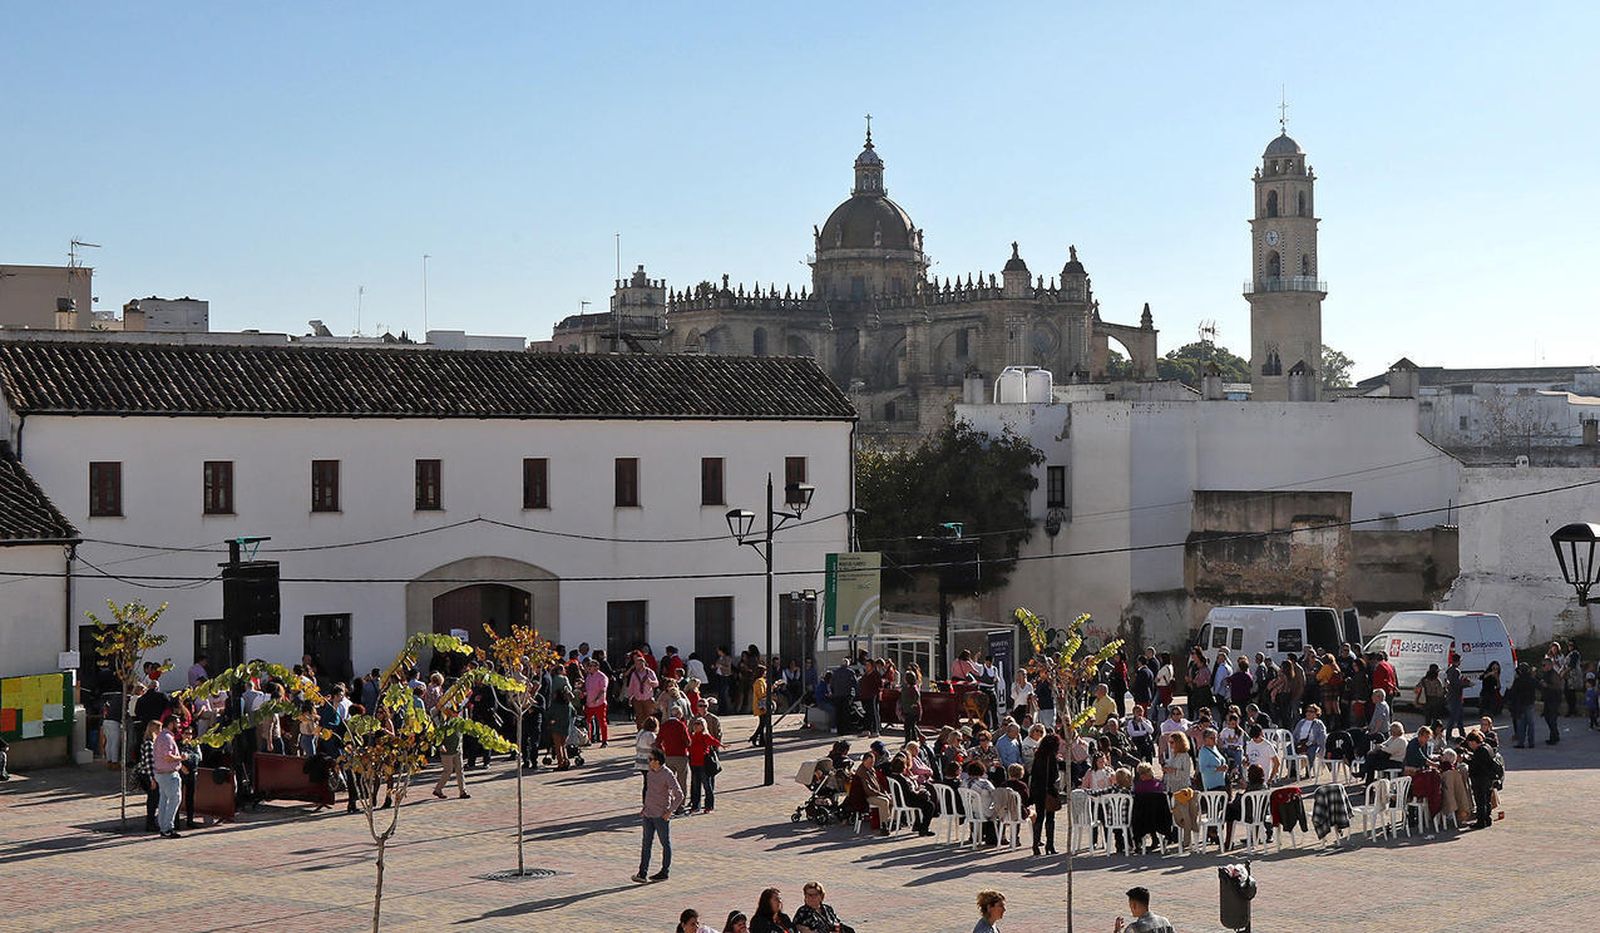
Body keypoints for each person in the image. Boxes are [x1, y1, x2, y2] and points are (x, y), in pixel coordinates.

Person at [632, 749, 682, 883]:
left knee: (665, 843)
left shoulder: (667, 774)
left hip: (661, 815)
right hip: (648, 814)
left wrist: (670, 811)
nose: (648, 762)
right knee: (646, 844)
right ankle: (642, 873)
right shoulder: (650, 773)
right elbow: (649, 792)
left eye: (650, 760)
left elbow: (679, 795)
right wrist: (645, 808)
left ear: (657, 761)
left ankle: (664, 871)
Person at [153, 717, 185, 838]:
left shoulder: (162, 736)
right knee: (174, 800)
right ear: (171, 724)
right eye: (177, 723)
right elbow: (167, 756)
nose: (179, 725)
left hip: (162, 774)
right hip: (168, 774)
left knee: (164, 801)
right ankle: (167, 828)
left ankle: (163, 827)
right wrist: (181, 758)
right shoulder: (166, 738)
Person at [1029, 733, 1061, 856]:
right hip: (1049, 790)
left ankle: (1035, 845)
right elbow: (1055, 776)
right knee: (1050, 818)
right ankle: (1050, 845)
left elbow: (1033, 773)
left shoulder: (1038, 755)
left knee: (1039, 818)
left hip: (1038, 791)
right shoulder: (1051, 757)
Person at [1464, 731, 1499, 829]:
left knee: (1480, 801)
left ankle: (1481, 821)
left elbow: (1475, 765)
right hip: (1487, 778)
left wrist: (1464, 760)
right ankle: (1487, 819)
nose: (1470, 746)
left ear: (1474, 742)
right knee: (1486, 800)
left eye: (1470, 744)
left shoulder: (1480, 750)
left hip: (1480, 779)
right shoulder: (1487, 747)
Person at [688, 716, 722, 813]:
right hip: (694, 763)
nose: (695, 726)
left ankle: (709, 806)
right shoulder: (692, 736)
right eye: (695, 723)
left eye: (698, 724)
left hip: (703, 764)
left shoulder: (705, 735)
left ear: (703, 726)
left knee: (707, 786)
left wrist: (721, 745)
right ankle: (695, 806)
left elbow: (714, 741)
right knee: (695, 786)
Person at [432, 724, 469, 799]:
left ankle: (463, 791)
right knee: (448, 771)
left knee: (460, 770)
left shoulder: (459, 720)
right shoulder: (444, 719)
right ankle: (438, 789)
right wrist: (440, 745)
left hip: (457, 749)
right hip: (446, 750)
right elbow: (437, 733)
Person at [1443, 656, 1473, 741]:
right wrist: (1467, 684)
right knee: (1453, 717)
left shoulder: (1449, 670)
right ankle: (1448, 735)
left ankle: (1462, 734)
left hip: (1452, 696)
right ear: (1458, 661)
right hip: (1455, 697)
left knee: (1459, 717)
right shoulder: (1456, 671)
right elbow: (1457, 684)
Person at [583, 658, 609, 748]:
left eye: (591, 666)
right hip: (589, 703)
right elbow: (587, 689)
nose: (589, 668)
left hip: (599, 703)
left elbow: (603, 690)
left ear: (596, 667)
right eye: (588, 666)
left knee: (602, 722)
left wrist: (597, 699)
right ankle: (588, 739)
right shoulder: (588, 677)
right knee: (587, 721)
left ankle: (604, 740)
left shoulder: (602, 677)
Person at [1538, 658, 1563, 745]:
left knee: (1551, 719)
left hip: (1554, 699)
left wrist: (1547, 685)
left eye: (1544, 665)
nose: (1543, 667)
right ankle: (1554, 735)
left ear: (1549, 665)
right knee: (1548, 718)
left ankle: (1554, 737)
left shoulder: (1553, 674)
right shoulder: (1546, 674)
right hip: (1548, 699)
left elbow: (1557, 687)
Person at [899, 669, 923, 743]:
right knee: (911, 727)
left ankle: (909, 742)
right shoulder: (907, 688)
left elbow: (915, 699)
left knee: (908, 728)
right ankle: (913, 741)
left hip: (912, 711)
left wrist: (912, 706)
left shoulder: (913, 688)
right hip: (908, 710)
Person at [750, 665, 771, 747]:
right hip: (761, 705)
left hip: (761, 705)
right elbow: (762, 694)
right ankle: (754, 737)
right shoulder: (759, 681)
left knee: (763, 723)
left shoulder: (761, 681)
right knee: (763, 723)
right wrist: (771, 689)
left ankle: (762, 740)